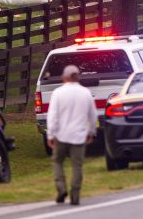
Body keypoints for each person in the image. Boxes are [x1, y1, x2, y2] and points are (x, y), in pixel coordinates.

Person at [47, 65, 97, 205]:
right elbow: (92, 115)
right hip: (78, 135)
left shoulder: (57, 93)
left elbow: (53, 115)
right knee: (77, 166)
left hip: (60, 135)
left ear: (64, 77)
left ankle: (61, 187)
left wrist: (50, 134)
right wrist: (91, 131)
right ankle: (75, 194)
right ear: (77, 77)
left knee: (57, 161)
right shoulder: (85, 93)